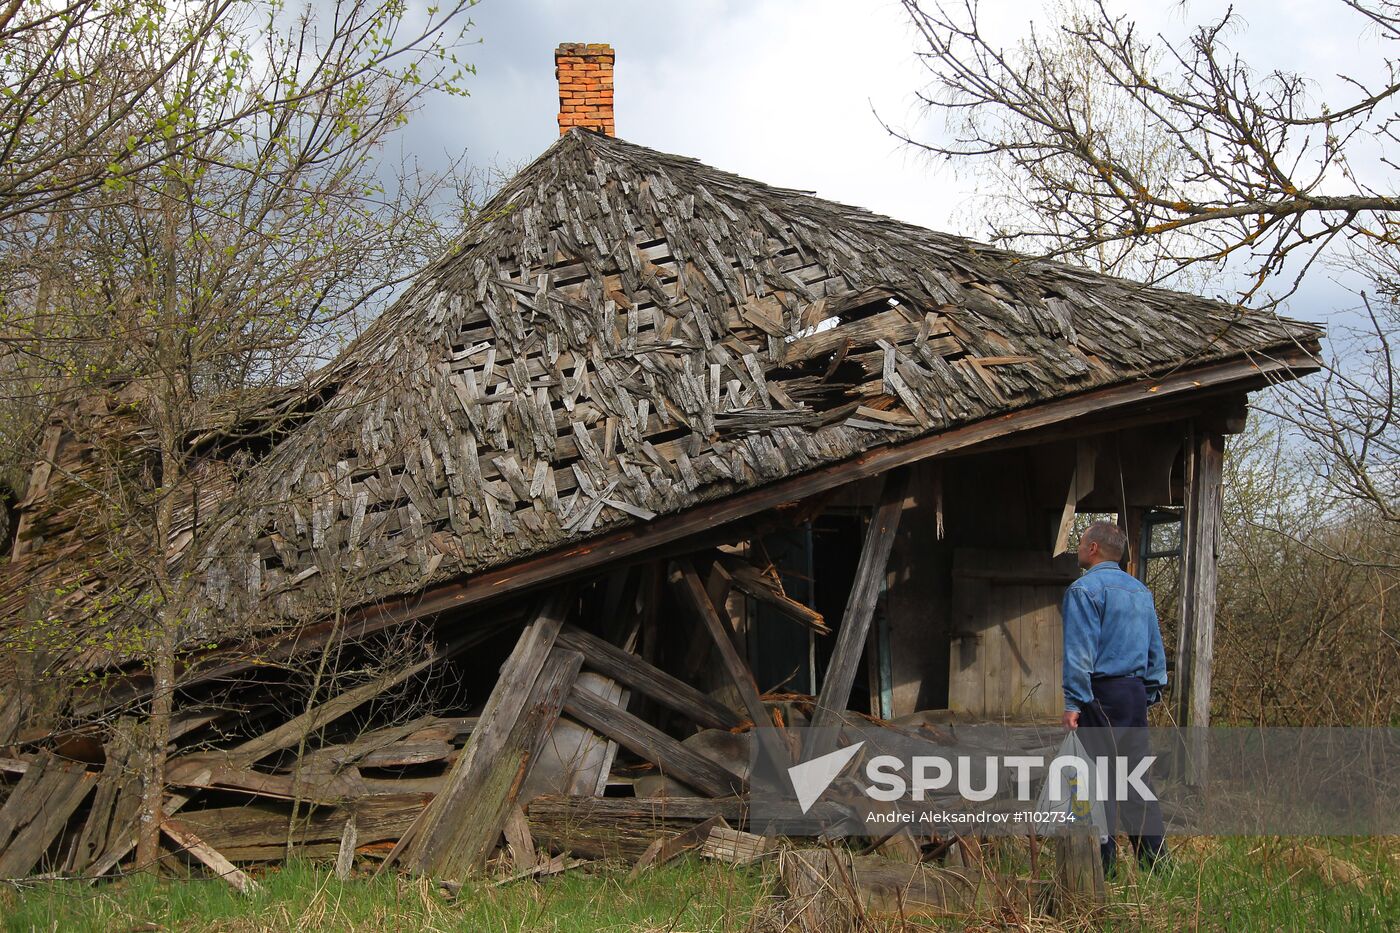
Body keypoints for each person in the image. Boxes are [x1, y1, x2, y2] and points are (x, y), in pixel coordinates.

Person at [1061, 520, 1168, 875]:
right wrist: (1146, 692)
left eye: (1080, 542)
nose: (1078, 547)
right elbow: (1156, 652)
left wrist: (1074, 703)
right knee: (1136, 781)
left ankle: (1101, 869)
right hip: (1134, 694)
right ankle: (1156, 866)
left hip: (1101, 694)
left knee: (1096, 783)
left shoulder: (1084, 590)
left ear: (1093, 548)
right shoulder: (1140, 592)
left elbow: (1080, 653)